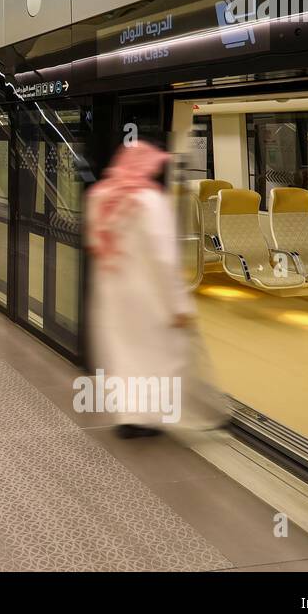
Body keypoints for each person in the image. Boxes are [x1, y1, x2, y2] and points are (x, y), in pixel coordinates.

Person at [84, 140, 197, 438]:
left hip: (111, 291)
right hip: (147, 295)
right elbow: (163, 258)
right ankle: (148, 417)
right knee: (155, 355)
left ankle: (128, 415)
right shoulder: (149, 200)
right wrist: (179, 304)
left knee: (122, 354)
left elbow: (95, 243)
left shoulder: (100, 195)